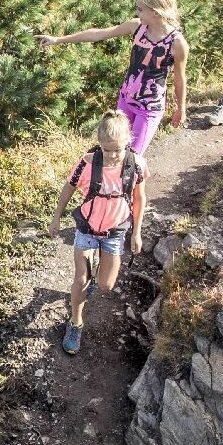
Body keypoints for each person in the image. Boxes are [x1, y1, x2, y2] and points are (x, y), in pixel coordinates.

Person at [37, 0, 186, 154]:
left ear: (156, 12)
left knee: (132, 158)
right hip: (126, 100)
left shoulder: (177, 43)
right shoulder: (137, 27)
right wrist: (58, 40)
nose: (137, 13)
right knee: (114, 150)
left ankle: (135, 181)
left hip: (149, 108)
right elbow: (98, 34)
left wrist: (180, 108)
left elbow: (179, 78)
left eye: (140, 9)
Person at [46, 112, 149, 356]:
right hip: (87, 229)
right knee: (81, 280)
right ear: (99, 144)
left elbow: (139, 198)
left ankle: (93, 274)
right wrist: (56, 217)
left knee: (106, 284)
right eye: (106, 149)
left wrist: (137, 232)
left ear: (127, 142)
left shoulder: (137, 164)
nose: (112, 155)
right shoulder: (87, 163)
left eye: (117, 150)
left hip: (115, 232)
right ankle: (75, 323)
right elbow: (69, 187)